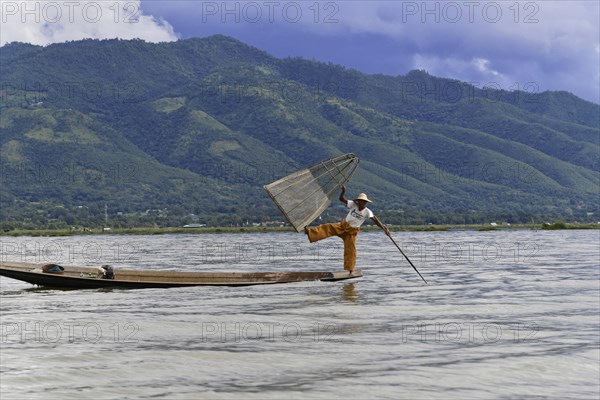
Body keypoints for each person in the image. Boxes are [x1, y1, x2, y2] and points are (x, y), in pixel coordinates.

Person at [304, 185, 390, 274]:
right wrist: (343, 191)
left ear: (365, 203)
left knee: (351, 250)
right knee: (328, 227)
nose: (362, 203)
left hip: (351, 232)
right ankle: (309, 232)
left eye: (364, 202)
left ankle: (350, 269)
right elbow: (341, 199)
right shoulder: (353, 205)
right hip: (342, 226)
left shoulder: (367, 212)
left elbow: (376, 220)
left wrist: (384, 228)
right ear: (358, 201)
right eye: (361, 201)